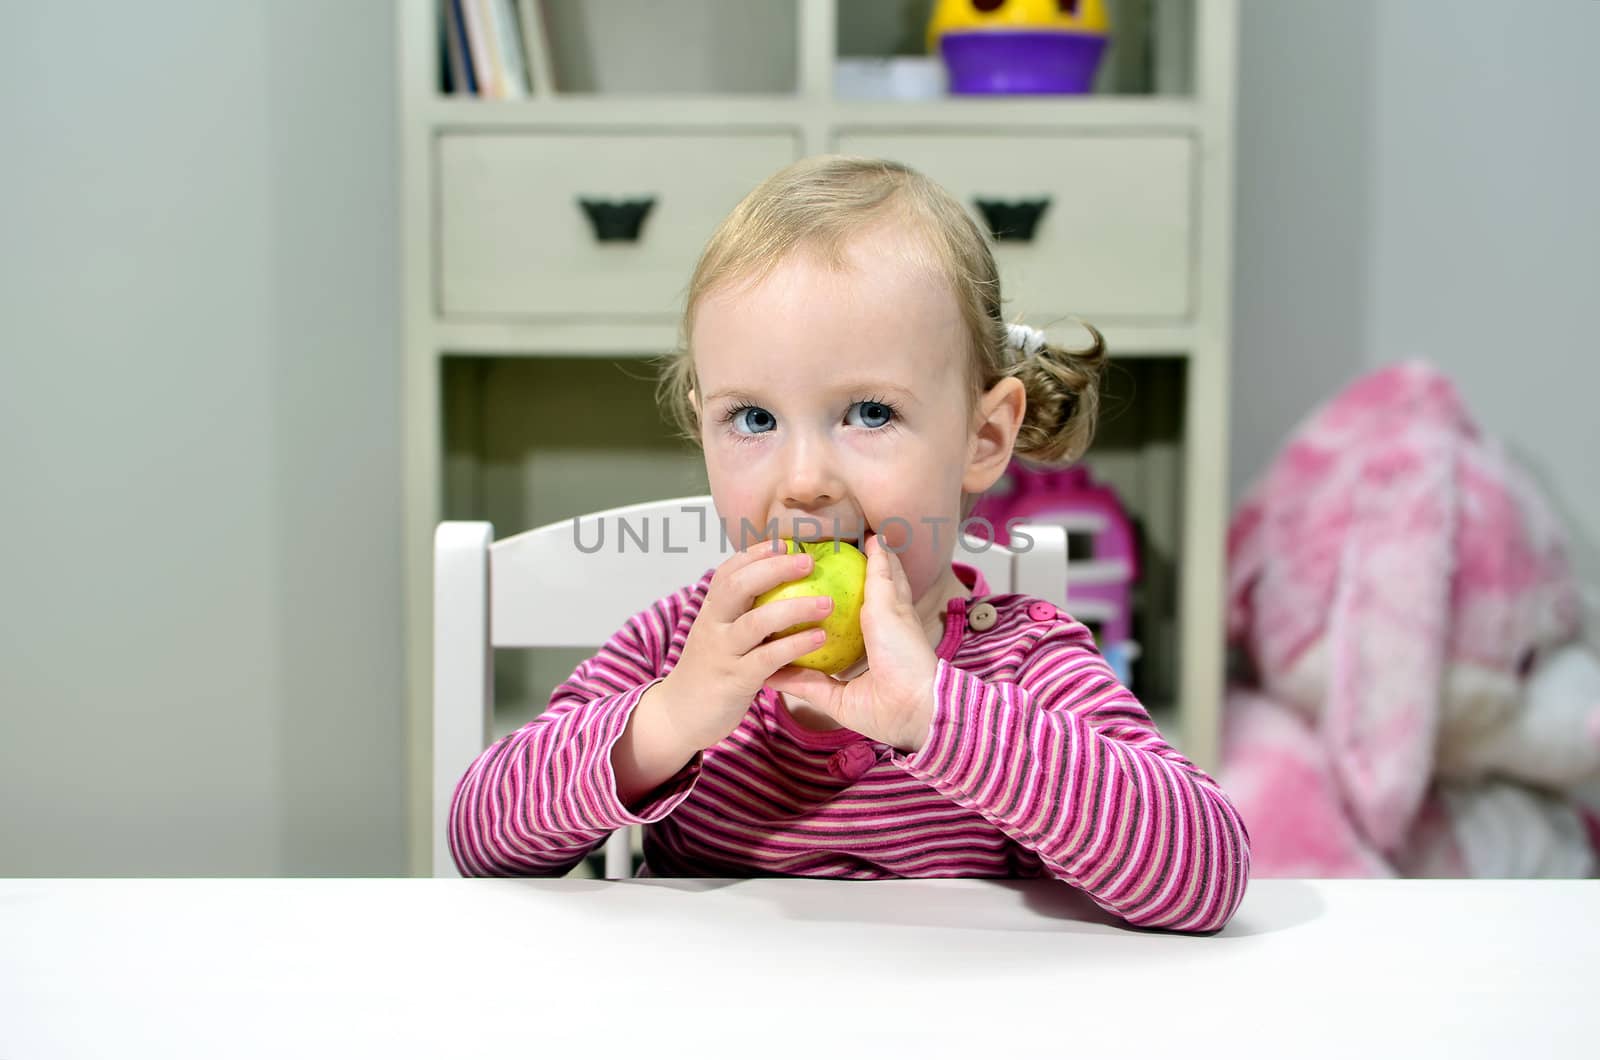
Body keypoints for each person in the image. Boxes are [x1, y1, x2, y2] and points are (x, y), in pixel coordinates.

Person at [449, 155, 1250, 932]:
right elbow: (479, 840)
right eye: (753, 419)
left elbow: (1207, 874)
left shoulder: (1021, 661)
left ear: (983, 436)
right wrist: (668, 721)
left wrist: (938, 712)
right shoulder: (678, 647)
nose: (805, 480)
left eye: (869, 413)